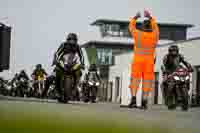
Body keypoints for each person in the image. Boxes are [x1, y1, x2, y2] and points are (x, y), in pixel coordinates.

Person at [128, 10, 159, 109]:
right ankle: (144, 102)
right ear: (150, 27)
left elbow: (131, 27)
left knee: (135, 80)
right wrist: (150, 17)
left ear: (142, 27)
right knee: (147, 81)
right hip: (149, 62)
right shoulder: (155, 35)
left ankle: (133, 100)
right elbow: (156, 28)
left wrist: (135, 17)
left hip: (138, 61)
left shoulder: (138, 34)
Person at [53, 33, 85, 102]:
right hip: (63, 61)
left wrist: (82, 63)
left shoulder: (77, 46)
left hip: (73, 63)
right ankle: (57, 91)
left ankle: (74, 88)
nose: (72, 41)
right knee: (57, 71)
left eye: (74, 40)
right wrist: (56, 60)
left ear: (76, 40)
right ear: (68, 39)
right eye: (70, 39)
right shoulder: (63, 44)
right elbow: (57, 53)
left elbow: (81, 56)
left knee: (79, 72)